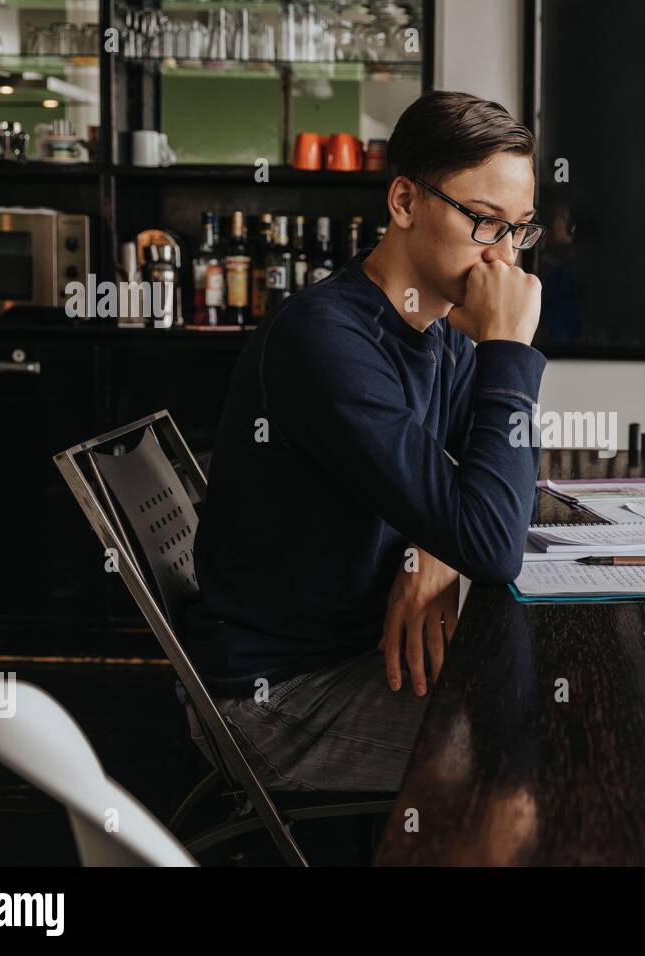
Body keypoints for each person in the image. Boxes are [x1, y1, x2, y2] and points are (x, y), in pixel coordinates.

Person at [183, 90, 546, 792]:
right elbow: (497, 545)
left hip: (360, 655)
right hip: (276, 702)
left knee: (556, 703)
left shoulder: (438, 329)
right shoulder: (326, 340)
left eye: (520, 231)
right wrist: (508, 347)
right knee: (538, 756)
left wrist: (436, 543)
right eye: (484, 223)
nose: (506, 260)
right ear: (404, 202)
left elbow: (501, 493)